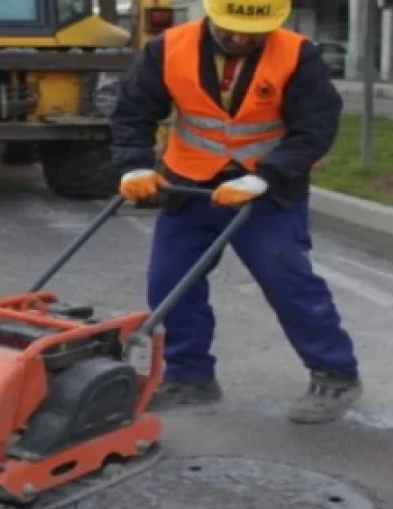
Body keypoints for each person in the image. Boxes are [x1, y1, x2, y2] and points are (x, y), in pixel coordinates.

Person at [109, 0, 363, 424]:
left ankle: (335, 374)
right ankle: (189, 377)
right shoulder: (168, 48)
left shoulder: (298, 54)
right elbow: (133, 111)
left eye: (253, 32)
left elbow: (315, 127)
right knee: (170, 283)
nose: (241, 38)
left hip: (265, 191)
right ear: (212, 15)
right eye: (231, 30)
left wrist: (266, 177)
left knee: (287, 280)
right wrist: (134, 165)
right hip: (190, 185)